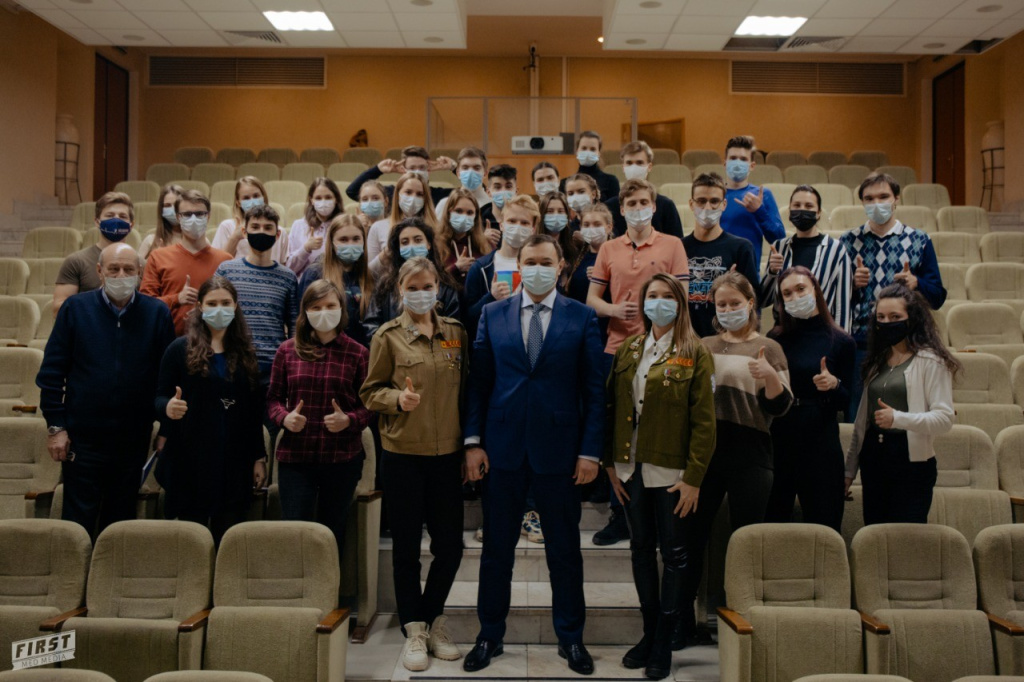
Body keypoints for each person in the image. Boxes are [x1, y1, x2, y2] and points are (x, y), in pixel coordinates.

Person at [462, 235, 605, 676]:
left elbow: (594, 391)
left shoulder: (581, 316)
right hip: (502, 450)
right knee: (496, 553)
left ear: (560, 267)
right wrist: (473, 442)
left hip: (560, 453)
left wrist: (590, 451)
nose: (538, 268)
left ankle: (571, 638)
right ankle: (489, 635)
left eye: (546, 261)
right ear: (518, 265)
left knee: (564, 552)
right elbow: (479, 384)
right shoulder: (492, 314)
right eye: (530, 261)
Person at [604, 273, 716, 680]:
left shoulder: (695, 352)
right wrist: (610, 463)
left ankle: (665, 641)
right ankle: (649, 633)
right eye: (652, 295)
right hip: (630, 467)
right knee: (639, 550)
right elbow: (612, 406)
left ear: (680, 303)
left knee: (675, 555)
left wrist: (694, 477)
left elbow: (705, 423)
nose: (659, 302)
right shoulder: (630, 348)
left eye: (668, 296)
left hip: (672, 473)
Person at [360, 257, 468, 673]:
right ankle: (414, 629)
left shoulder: (455, 333)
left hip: (447, 456)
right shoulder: (387, 336)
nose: (421, 293)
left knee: (450, 547)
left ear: (438, 288)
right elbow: (370, 392)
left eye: (428, 286)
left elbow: (466, 391)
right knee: (406, 549)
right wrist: (396, 400)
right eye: (413, 287)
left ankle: (433, 618)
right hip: (403, 454)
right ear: (400, 290)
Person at [36, 242, 175, 537]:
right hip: (82, 438)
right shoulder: (75, 308)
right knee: (77, 522)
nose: (121, 275)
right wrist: (56, 427)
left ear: (140, 272)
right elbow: (51, 374)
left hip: (133, 438)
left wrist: (165, 429)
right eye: (113, 269)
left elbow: (167, 379)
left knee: (120, 522)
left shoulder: (157, 313)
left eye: (128, 269)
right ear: (100, 271)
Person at [683, 270, 793, 642]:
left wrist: (770, 376)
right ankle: (685, 622)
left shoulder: (769, 347)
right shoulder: (704, 344)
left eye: (735, 303)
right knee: (693, 538)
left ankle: (741, 624)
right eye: (722, 304)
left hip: (751, 452)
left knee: (745, 540)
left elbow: (781, 407)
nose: (729, 309)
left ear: (750, 303)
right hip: (706, 452)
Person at [587, 178, 690, 546]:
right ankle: (621, 514)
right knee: (618, 429)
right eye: (631, 203)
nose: (637, 208)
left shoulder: (672, 244)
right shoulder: (609, 248)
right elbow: (592, 299)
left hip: (662, 349)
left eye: (644, 202)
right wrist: (613, 309)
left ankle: (657, 510)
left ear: (654, 205)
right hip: (617, 349)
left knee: (657, 427)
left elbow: (681, 297)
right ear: (622, 209)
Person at [155, 276, 266, 545]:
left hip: (234, 461)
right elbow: (158, 397)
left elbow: (253, 414)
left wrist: (258, 457)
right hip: (190, 459)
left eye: (225, 303)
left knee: (228, 541)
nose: (219, 309)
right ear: (200, 307)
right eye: (212, 303)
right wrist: (168, 407)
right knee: (192, 542)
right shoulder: (178, 349)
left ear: (235, 306)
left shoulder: (247, 353)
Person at [266, 278, 372, 560]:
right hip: (296, 459)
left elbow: (370, 407)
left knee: (332, 533)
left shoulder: (358, 353)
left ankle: (330, 587)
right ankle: (296, 586)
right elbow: (272, 400)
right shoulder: (286, 351)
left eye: (330, 305)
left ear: (341, 309)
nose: (324, 312)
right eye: (316, 307)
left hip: (341, 458)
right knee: (295, 533)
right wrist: (284, 418)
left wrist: (349, 420)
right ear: (305, 311)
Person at [844, 284, 957, 525]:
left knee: (906, 538)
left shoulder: (931, 360)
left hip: (911, 463)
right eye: (881, 317)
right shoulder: (877, 360)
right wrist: (849, 471)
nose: (887, 323)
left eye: (895, 317)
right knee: (875, 535)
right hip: (874, 459)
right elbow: (862, 424)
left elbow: (944, 419)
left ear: (912, 319)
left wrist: (898, 418)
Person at [839, 173, 946, 418]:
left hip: (907, 342)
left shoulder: (919, 240)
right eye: (869, 198)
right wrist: (852, 284)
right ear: (862, 202)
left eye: (883, 196)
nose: (876, 203)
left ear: (896, 198)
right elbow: (832, 300)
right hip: (861, 342)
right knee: (858, 414)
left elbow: (938, 297)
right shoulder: (847, 241)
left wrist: (917, 283)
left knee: (906, 414)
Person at [765, 267, 856, 532]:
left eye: (800, 289)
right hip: (780, 438)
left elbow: (847, 401)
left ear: (815, 290)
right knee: (772, 525)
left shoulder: (841, 340)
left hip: (820, 441)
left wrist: (834, 385)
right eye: (787, 293)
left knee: (825, 527)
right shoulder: (774, 338)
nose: (795, 297)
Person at [215, 204, 298, 383]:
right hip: (232, 364)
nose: (261, 232)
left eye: (268, 228)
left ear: (277, 235)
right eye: (255, 227)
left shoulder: (288, 277)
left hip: (273, 368)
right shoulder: (226, 271)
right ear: (244, 232)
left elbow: (294, 327)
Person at [760, 185, 853, 332]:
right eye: (797, 205)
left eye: (809, 206)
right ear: (790, 211)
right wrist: (772, 272)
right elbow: (763, 301)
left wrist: (841, 340)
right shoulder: (779, 247)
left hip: (821, 333)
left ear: (819, 213)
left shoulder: (836, 249)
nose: (802, 210)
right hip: (784, 332)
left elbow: (843, 304)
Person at [140, 190, 232, 336]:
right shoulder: (158, 257)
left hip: (212, 340)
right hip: (167, 341)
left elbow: (233, 306)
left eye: (200, 214)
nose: (194, 219)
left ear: (208, 216)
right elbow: (145, 306)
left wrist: (205, 311)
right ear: (178, 217)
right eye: (187, 214)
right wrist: (176, 299)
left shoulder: (225, 260)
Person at [682, 173, 759, 337]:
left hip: (727, 339)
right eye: (701, 201)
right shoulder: (678, 247)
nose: (707, 207)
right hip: (686, 339)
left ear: (724, 204)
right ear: (691, 204)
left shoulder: (741, 247)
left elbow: (753, 302)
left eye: (714, 201)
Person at [365, 218, 460, 337]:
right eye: (405, 242)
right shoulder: (386, 285)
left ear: (429, 244)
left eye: (418, 240)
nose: (411, 246)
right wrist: (392, 344)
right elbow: (371, 326)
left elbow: (452, 330)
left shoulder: (445, 284)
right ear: (398, 248)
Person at [54, 191, 136, 315]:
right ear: (97, 222)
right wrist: (98, 298)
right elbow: (58, 309)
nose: (116, 220)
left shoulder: (139, 264)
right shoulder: (77, 261)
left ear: (131, 225)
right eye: (110, 215)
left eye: (122, 216)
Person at [298, 213, 374, 348]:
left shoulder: (370, 276)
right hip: (323, 352)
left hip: (361, 353)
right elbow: (304, 320)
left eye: (356, 239)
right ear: (332, 243)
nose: (350, 244)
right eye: (343, 240)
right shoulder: (315, 273)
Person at [719, 135, 786, 265]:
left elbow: (779, 239)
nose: (738, 162)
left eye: (743, 159)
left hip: (749, 271)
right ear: (725, 163)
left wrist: (759, 211)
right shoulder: (715, 196)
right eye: (733, 158)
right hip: (718, 270)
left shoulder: (763, 195)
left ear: (752, 166)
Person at [606, 141, 683, 240]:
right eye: (629, 163)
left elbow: (677, 243)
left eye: (639, 163)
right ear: (623, 168)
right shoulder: (609, 207)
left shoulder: (666, 205)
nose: (634, 167)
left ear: (649, 167)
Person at [344, 145, 456, 206]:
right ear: (403, 170)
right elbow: (352, 191)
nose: (417, 172)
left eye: (422, 168)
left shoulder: (440, 195)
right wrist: (378, 170)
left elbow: (467, 195)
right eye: (412, 168)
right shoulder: (391, 194)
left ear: (429, 170)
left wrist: (454, 168)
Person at [366, 172, 439, 265]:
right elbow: (369, 271)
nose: (413, 198)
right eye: (408, 192)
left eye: (419, 194)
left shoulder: (436, 228)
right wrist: (384, 256)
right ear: (398, 195)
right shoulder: (378, 227)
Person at [212, 175, 288, 263]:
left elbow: (283, 266)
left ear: (263, 197)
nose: (252, 201)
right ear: (238, 202)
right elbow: (217, 265)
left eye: (256, 196)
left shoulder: (280, 232)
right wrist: (235, 237)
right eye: (246, 198)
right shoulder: (227, 226)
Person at [565, 203, 613, 340]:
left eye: (597, 224)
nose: (591, 229)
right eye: (586, 225)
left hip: (607, 331)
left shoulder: (617, 257)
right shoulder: (579, 257)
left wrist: (607, 277)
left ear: (609, 227)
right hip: (579, 329)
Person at [434, 147, 499, 246]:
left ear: (485, 173)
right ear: (458, 173)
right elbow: (436, 239)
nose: (470, 172)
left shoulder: (493, 207)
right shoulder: (445, 204)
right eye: (465, 168)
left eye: (476, 168)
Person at [286, 177, 345, 276]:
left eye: (328, 197)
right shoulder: (298, 226)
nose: (323, 202)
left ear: (336, 199)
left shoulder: (344, 225)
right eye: (318, 198)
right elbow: (289, 267)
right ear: (311, 200)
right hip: (306, 283)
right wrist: (305, 249)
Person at [435, 187, 491, 288]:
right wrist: (456, 268)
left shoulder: (485, 245)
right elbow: (431, 281)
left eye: (470, 213)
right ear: (448, 213)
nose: (464, 217)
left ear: (475, 217)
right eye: (458, 211)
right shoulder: (435, 244)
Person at [559, 130, 619, 205]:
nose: (588, 152)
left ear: (599, 153)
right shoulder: (565, 183)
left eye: (592, 149)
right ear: (577, 151)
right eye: (584, 148)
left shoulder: (611, 181)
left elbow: (615, 208)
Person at [538, 191, 578, 275]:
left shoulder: (573, 246)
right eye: (550, 211)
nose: (555, 215)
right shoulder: (533, 245)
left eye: (560, 211)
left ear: (567, 215)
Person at [139, 184, 183, 260]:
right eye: (167, 205)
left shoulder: (197, 241)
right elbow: (137, 267)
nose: (173, 209)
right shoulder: (150, 241)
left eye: (176, 205)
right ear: (161, 209)